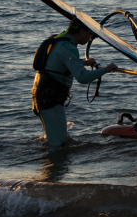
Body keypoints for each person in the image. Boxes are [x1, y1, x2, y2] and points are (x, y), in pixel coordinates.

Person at [32, 18, 119, 148]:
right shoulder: (68, 46)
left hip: (44, 97)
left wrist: (82, 62)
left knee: (59, 141)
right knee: (57, 144)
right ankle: (53, 166)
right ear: (82, 32)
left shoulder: (60, 40)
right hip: (49, 99)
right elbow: (82, 77)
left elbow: (59, 62)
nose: (90, 38)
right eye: (90, 34)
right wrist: (106, 69)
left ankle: (52, 165)